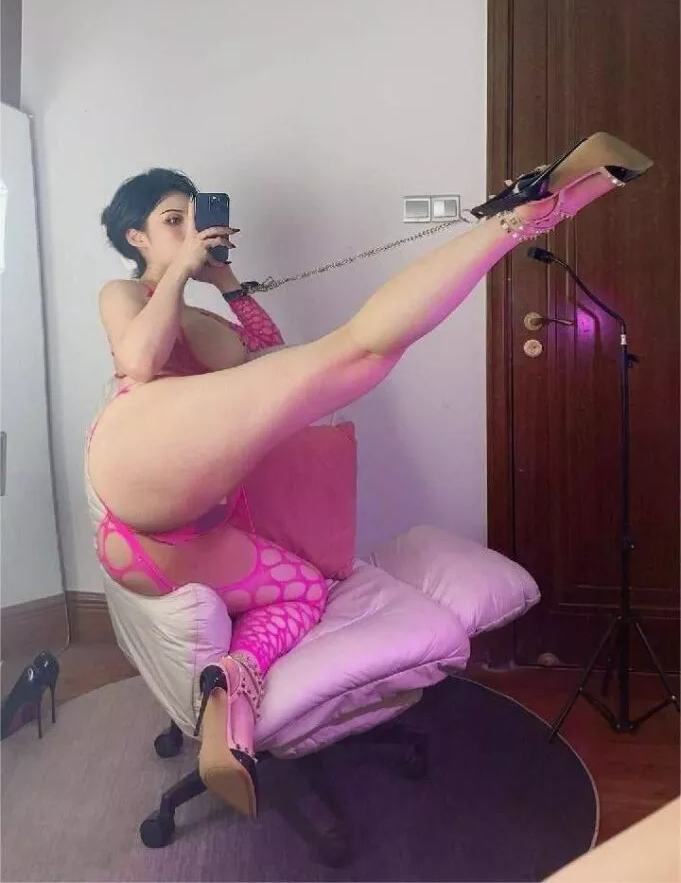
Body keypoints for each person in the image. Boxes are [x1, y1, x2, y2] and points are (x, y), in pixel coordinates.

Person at [86, 134, 650, 818]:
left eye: (191, 217)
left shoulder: (204, 314)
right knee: (358, 351)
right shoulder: (126, 291)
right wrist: (177, 270)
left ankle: (230, 689)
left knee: (306, 586)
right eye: (172, 220)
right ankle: (523, 216)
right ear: (135, 237)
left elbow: (271, 356)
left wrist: (226, 282)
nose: (188, 230)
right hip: (138, 469)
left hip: (185, 544)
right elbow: (139, 362)